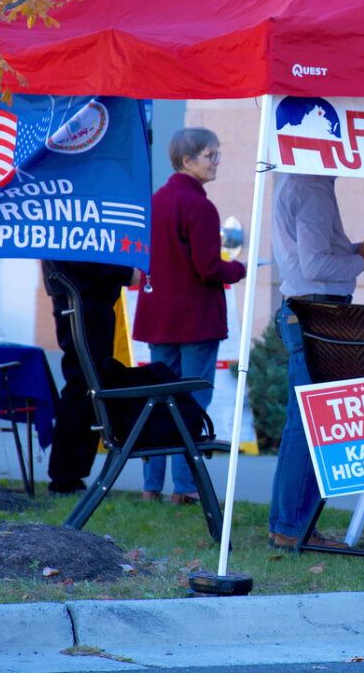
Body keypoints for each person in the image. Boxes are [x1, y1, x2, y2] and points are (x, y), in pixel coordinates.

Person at [268, 173, 364, 550]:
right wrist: (363, 258)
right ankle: (291, 529)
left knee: (302, 424)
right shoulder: (311, 186)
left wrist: (358, 251)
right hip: (316, 311)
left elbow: (314, 256)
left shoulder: (304, 182)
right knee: (309, 426)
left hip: (309, 309)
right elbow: (316, 266)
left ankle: (288, 526)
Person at [133, 128, 245, 504]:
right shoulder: (200, 206)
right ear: (187, 161)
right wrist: (239, 269)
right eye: (209, 155)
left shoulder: (155, 202)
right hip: (196, 320)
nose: (216, 162)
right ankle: (184, 488)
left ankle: (151, 486)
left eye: (216, 154)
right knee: (192, 402)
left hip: (158, 318)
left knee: (158, 400)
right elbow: (209, 268)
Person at [42, 259, 137, 495]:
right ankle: (65, 477)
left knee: (86, 385)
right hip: (83, 299)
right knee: (84, 386)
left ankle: (69, 475)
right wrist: (125, 271)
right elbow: (83, 256)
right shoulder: (70, 226)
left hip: (83, 298)